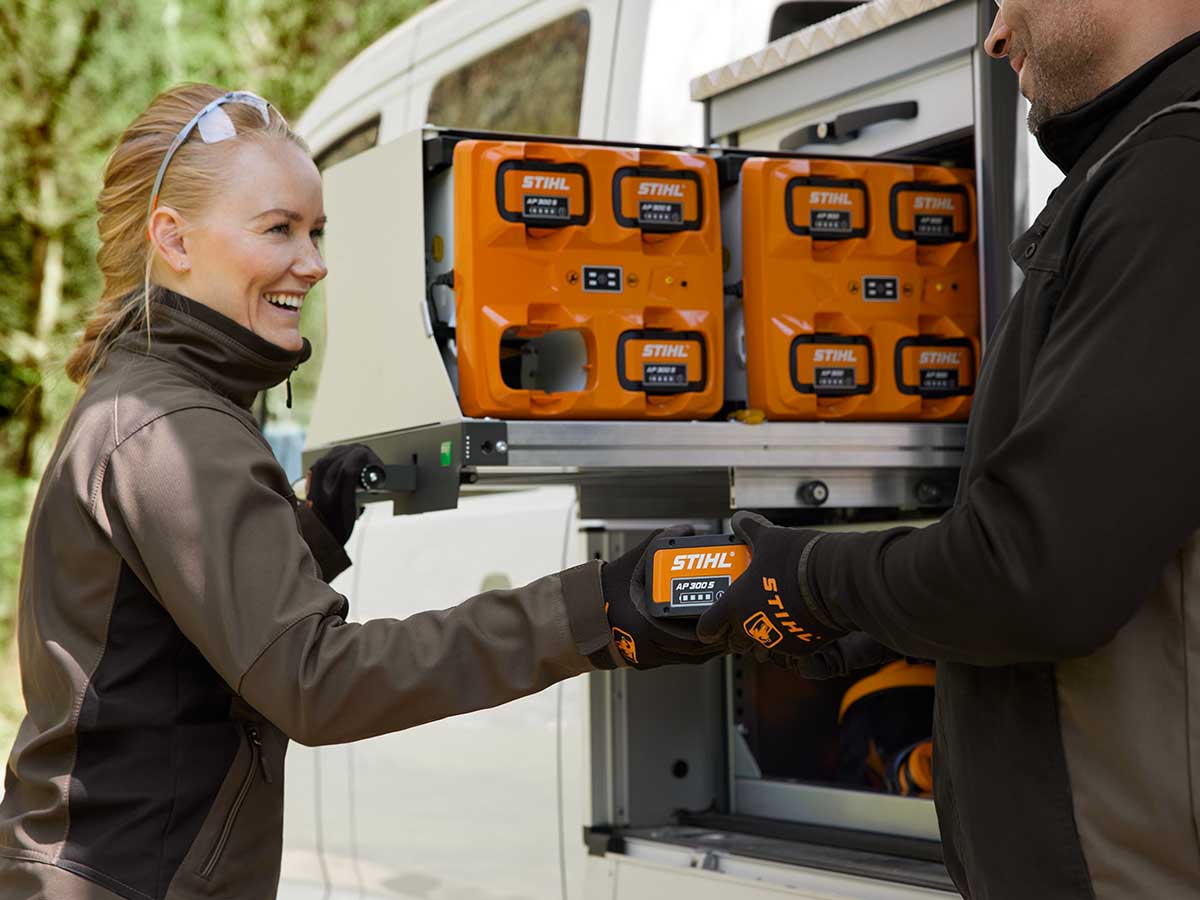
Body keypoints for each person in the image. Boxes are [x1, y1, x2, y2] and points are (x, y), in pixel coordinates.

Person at [0, 84, 723, 900]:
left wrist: (298, 540)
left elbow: (164, 643)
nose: (312, 262)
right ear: (173, 240)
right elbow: (317, 685)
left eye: (315, 232)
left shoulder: (146, 402)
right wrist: (599, 606)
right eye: (279, 229)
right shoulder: (171, 429)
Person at [700, 2, 1200, 898]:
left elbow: (1036, 572)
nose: (996, 34)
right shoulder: (1140, 171)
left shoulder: (1174, 177)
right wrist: (870, 618)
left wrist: (805, 576)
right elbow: (1111, 548)